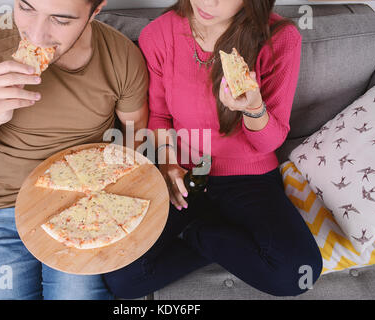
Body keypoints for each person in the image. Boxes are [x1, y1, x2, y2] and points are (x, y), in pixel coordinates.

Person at [103, 0, 323, 299]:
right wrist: (168, 165)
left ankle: (200, 232)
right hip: (185, 172)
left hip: (249, 175)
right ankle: (213, 228)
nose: (208, 2)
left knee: (297, 276)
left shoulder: (280, 38)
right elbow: (159, 116)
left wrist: (255, 109)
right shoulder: (159, 34)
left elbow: (270, 142)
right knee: (122, 280)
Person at [0, 0, 149, 300]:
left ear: (96, 10)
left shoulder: (122, 57)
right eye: (26, 7)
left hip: (85, 205)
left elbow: (136, 136)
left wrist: (105, 198)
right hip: (7, 208)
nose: (35, 34)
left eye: (60, 20)